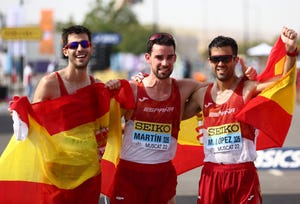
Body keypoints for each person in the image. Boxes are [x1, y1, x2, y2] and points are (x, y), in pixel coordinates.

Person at [109, 33, 257, 204]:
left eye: (169, 57)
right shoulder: (133, 89)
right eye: (159, 57)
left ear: (175, 58)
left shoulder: (185, 88)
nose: (165, 63)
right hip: (130, 174)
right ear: (148, 58)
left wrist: (245, 80)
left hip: (163, 175)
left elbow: (223, 89)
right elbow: (105, 119)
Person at [183, 26, 298, 204]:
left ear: (235, 60)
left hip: (242, 175)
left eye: (226, 58)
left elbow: (283, 82)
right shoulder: (201, 94)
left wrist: (290, 52)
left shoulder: (247, 88)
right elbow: (174, 114)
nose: (220, 63)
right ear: (210, 61)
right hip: (211, 175)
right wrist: (144, 85)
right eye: (216, 59)